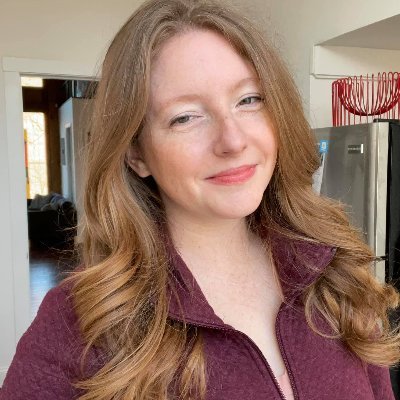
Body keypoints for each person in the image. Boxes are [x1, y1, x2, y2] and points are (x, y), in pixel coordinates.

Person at [1, 0, 399, 399]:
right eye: (185, 117)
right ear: (136, 153)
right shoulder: (79, 323)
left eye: (249, 100)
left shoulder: (334, 273)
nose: (233, 140)